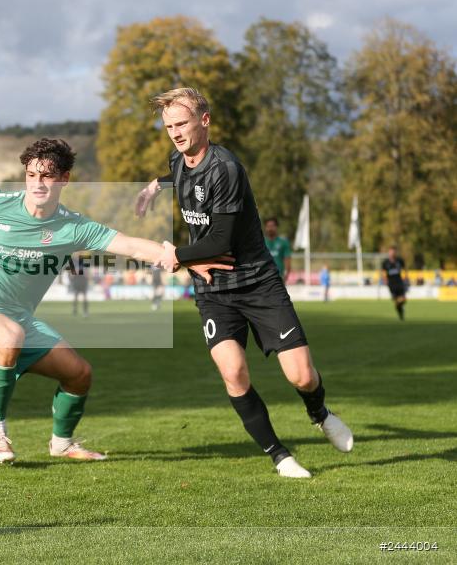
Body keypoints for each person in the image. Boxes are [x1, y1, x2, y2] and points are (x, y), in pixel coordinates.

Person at [0, 137, 232, 464]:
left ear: (64, 179)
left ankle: (61, 443)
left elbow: (130, 245)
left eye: (47, 176)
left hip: (16, 319)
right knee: (8, 335)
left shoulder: (72, 226)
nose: (38, 183)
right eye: (32, 175)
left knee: (78, 374)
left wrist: (184, 258)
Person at [136, 87, 353, 478]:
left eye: (182, 124)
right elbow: (179, 174)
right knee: (233, 372)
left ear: (205, 121)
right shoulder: (178, 159)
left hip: (257, 282)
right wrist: (155, 185)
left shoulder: (226, 169)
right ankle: (280, 456)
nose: (175, 133)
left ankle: (319, 412)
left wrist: (176, 255)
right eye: (169, 127)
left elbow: (220, 241)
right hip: (213, 289)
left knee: (302, 376)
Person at [381, 246, 408, 320]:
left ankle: (400, 308)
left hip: (399, 283)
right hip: (391, 284)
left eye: (393, 252)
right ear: (389, 253)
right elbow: (383, 272)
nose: (392, 253)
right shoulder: (385, 262)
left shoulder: (399, 260)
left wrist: (406, 277)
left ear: (395, 253)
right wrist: (385, 280)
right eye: (391, 252)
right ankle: (401, 314)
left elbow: (405, 269)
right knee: (396, 301)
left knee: (403, 299)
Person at [263, 218, 291, 282]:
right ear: (265, 228)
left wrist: (285, 276)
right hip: (264, 278)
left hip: (278, 277)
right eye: (268, 226)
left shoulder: (283, 242)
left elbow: (287, 260)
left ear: (276, 227)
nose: (270, 228)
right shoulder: (261, 242)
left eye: (272, 226)